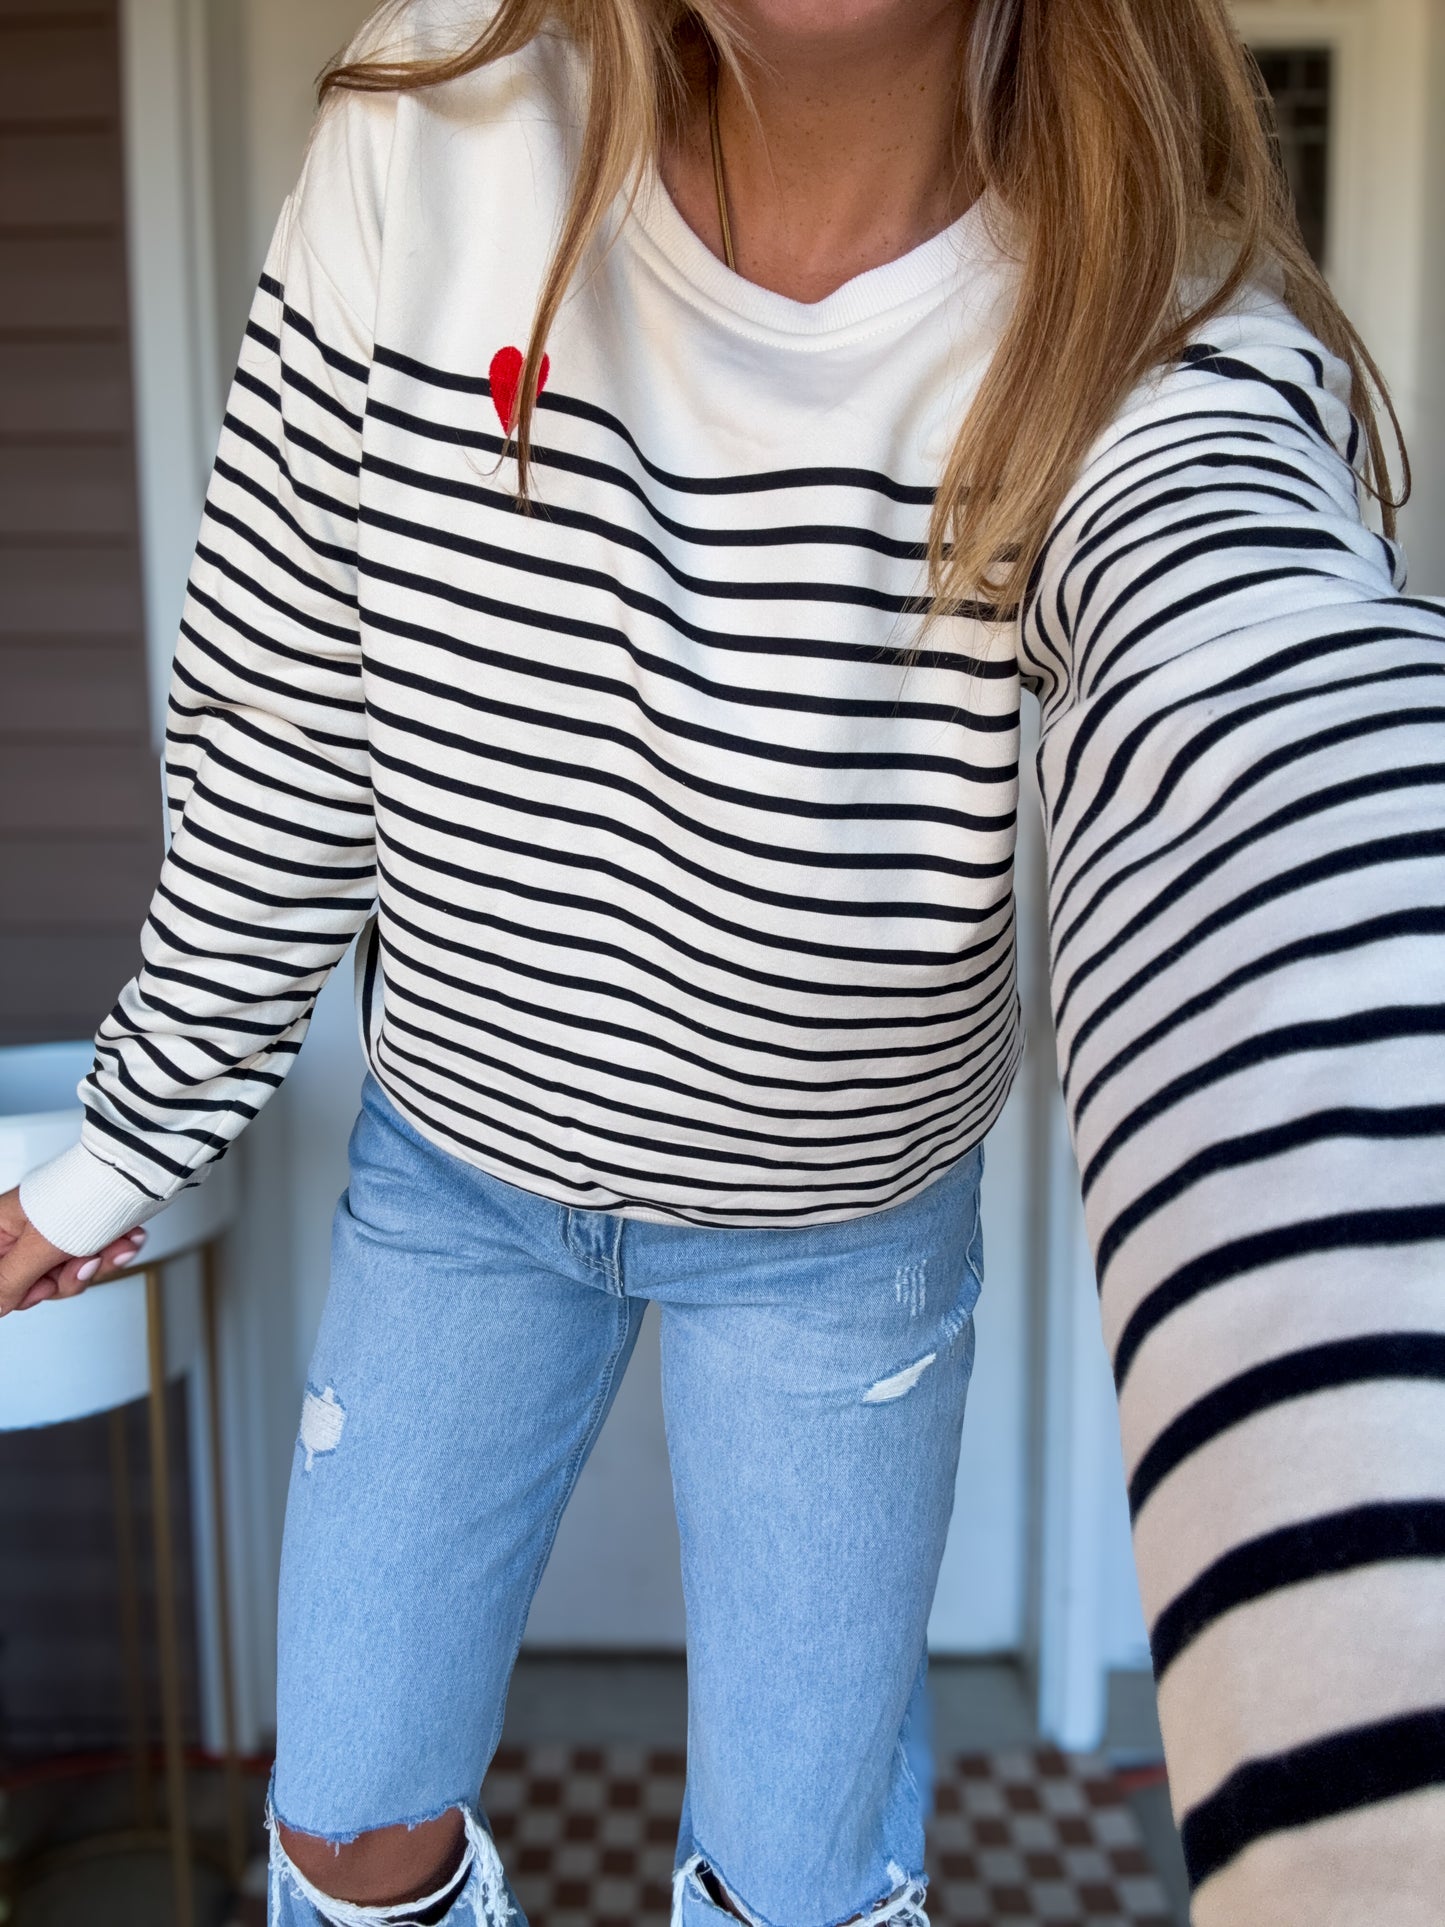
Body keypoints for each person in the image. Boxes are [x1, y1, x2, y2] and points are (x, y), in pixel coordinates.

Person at [2, 0, 1442, 1919]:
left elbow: (1263, 699)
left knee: (799, 1885)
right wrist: (124, 1144)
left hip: (840, 1244)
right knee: (343, 1822)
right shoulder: (434, 117)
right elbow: (280, 717)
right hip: (456, 1184)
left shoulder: (1146, 320)